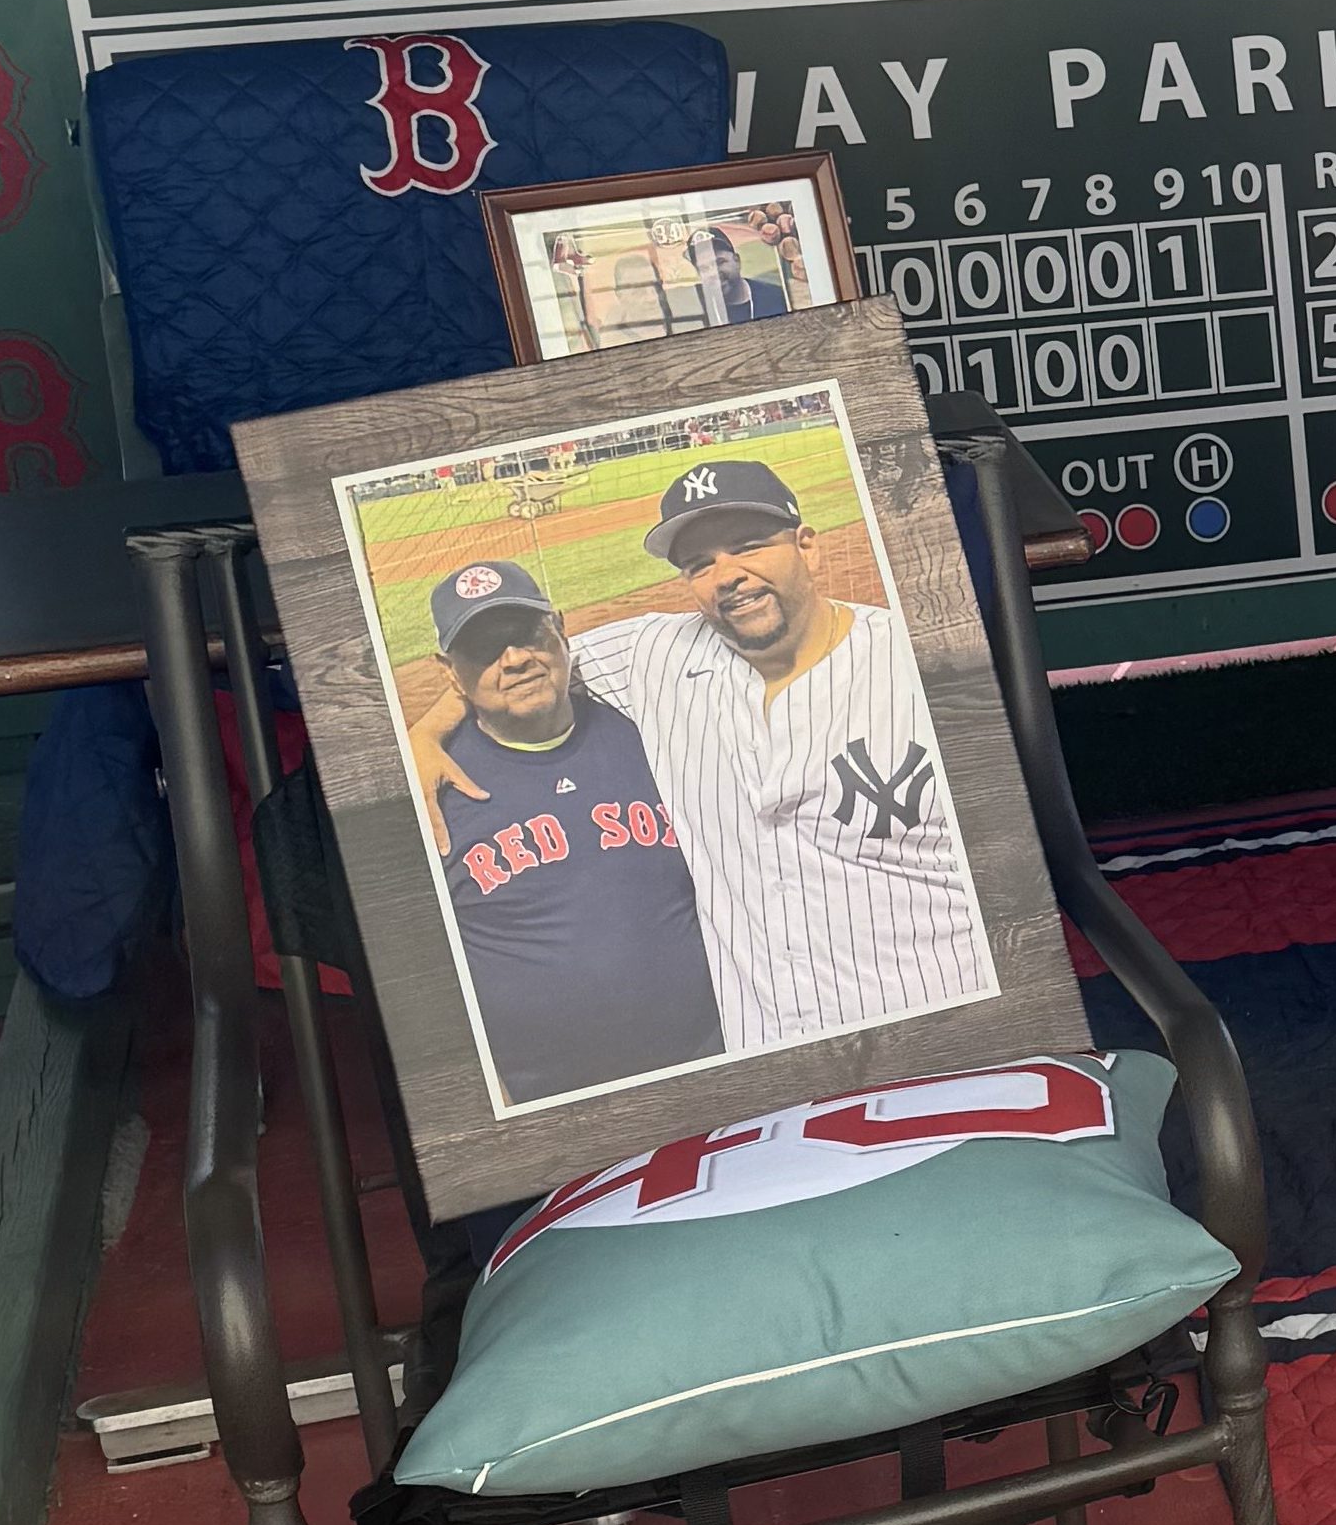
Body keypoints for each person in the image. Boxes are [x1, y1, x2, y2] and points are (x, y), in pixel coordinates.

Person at [567, 455, 1004, 1058]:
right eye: (700, 564)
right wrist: (431, 733)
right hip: (773, 1064)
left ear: (808, 547)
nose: (727, 575)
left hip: (943, 1027)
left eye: (748, 546)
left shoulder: (921, 665)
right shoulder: (654, 657)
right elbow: (508, 668)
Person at [412, 554, 723, 1109]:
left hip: (717, 1061)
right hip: (548, 1104)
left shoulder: (650, 728)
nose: (514, 659)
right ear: (448, 671)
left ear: (559, 626)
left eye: (527, 633)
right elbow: (425, 984)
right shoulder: (431, 789)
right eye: (484, 648)